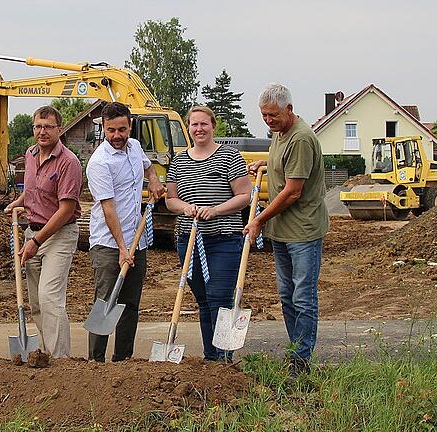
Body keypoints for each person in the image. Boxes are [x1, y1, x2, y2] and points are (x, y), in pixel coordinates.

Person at [243, 83, 329, 375]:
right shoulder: (281, 134)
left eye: (273, 115)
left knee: (303, 296)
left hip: (303, 231)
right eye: (264, 115)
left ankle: (301, 359)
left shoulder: (301, 138)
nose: (268, 120)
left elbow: (293, 191)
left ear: (289, 109)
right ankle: (296, 349)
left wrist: (258, 219)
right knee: (286, 294)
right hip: (282, 231)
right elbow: (283, 163)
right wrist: (264, 163)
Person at [165, 106, 251, 362]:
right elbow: (171, 200)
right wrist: (186, 208)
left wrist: (215, 211)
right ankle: (210, 356)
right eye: (194, 125)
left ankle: (224, 358)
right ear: (188, 128)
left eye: (204, 124)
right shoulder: (179, 161)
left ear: (213, 126)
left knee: (219, 299)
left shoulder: (229, 156)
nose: (199, 129)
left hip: (223, 239)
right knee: (203, 300)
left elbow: (244, 196)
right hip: (189, 240)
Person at [85, 102, 165, 362]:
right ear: (104, 130)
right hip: (109, 245)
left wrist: (153, 179)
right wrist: (122, 248)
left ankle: (123, 361)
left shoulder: (136, 147)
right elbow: (109, 210)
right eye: (111, 131)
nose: (117, 136)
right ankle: (95, 363)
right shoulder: (99, 163)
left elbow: (148, 166)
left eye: (122, 129)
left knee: (130, 305)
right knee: (106, 301)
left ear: (130, 125)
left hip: (136, 241)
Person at [5, 105, 82, 358]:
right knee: (37, 303)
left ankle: (60, 361)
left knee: (50, 296)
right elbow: (34, 187)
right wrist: (19, 202)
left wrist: (36, 241)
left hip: (58, 234)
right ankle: (46, 355)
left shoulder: (68, 162)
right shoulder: (29, 154)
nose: (42, 131)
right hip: (32, 231)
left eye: (48, 127)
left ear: (59, 129)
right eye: (38, 126)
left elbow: (66, 209)